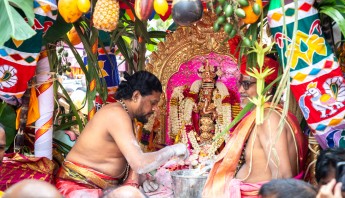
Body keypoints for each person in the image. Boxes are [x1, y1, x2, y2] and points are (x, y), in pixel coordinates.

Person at [55, 71, 189, 198]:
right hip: (78, 189)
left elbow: (121, 161)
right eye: (153, 102)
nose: (155, 109)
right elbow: (139, 163)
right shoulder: (116, 114)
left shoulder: (126, 116)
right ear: (136, 96)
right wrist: (172, 150)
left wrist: (143, 180)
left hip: (99, 189)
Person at [202, 56, 308, 197]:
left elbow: (284, 176)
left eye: (247, 84)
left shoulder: (269, 118)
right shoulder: (273, 113)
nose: (240, 90)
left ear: (268, 88)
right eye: (240, 83)